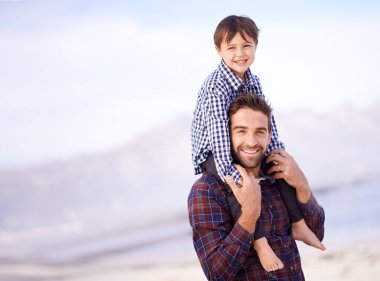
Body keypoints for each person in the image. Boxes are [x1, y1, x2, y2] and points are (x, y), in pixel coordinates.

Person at [191, 15, 324, 271]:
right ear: (218, 50)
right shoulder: (215, 88)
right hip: (211, 152)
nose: (240, 53)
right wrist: (235, 176)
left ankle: (297, 223)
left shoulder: (254, 81)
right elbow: (220, 140)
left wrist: (280, 157)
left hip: (233, 148)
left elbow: (268, 124)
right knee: (235, 183)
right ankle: (260, 240)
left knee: (277, 163)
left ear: (256, 47)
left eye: (246, 46)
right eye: (231, 48)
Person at [188, 94, 325, 280]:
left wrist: (302, 185)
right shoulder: (207, 190)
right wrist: (249, 216)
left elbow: (317, 233)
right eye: (241, 131)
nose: (251, 142)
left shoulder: (277, 178)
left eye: (260, 132)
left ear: (269, 135)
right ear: (227, 135)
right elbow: (216, 274)